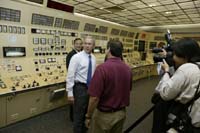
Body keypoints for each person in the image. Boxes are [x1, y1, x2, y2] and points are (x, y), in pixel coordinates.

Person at [152, 38, 200, 133]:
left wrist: (166, 71)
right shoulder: (197, 66)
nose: (173, 57)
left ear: (185, 57)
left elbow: (165, 94)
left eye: (175, 54)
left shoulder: (186, 69)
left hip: (184, 120)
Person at [85, 40, 132, 133]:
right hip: (121, 114)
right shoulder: (127, 69)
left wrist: (88, 116)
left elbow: (94, 98)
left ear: (109, 49)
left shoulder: (102, 69)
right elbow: (128, 89)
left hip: (104, 116)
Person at [66, 36, 96, 133]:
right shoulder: (76, 57)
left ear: (93, 46)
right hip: (80, 88)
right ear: (83, 44)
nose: (87, 46)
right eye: (85, 43)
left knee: (87, 114)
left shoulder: (94, 58)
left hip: (90, 88)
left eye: (89, 44)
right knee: (78, 115)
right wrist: (70, 93)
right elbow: (70, 75)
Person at [66, 38, 83, 122]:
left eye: (80, 44)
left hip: (80, 82)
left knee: (78, 101)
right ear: (74, 44)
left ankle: (78, 117)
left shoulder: (82, 54)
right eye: (77, 44)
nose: (79, 45)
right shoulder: (71, 54)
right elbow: (69, 69)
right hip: (74, 81)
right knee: (73, 102)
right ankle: (72, 118)